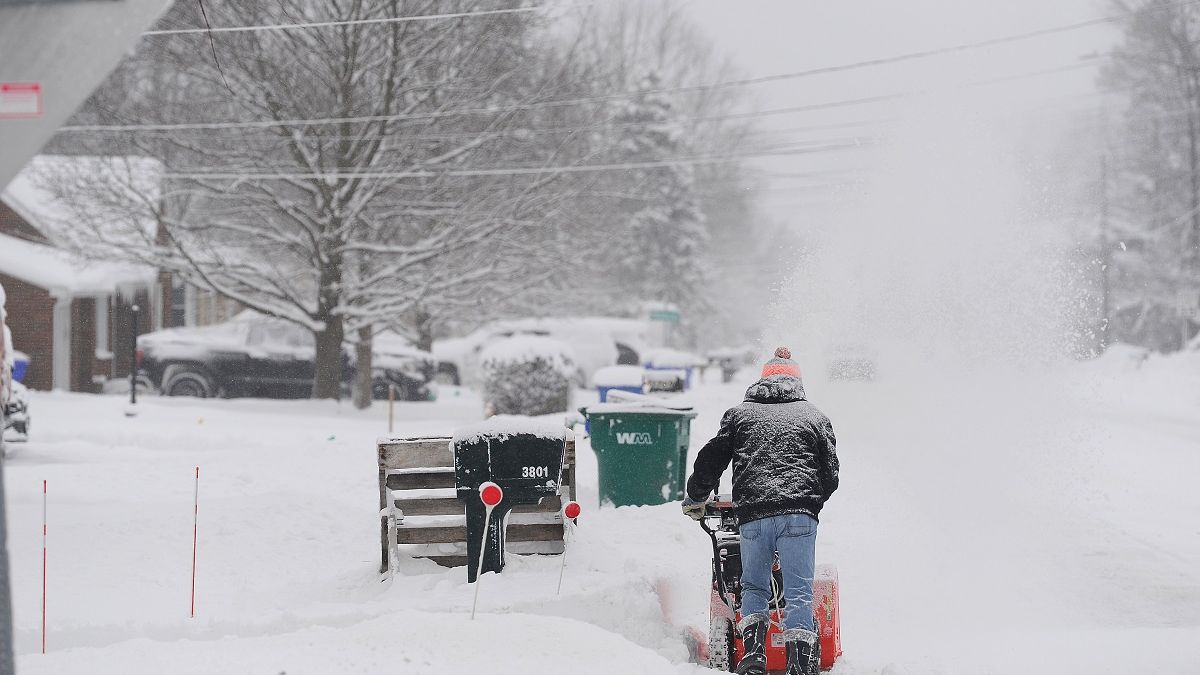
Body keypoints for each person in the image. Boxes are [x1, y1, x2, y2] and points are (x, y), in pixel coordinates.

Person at [683, 347, 839, 675]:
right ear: (797, 383)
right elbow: (831, 474)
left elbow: (710, 459)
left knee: (753, 585)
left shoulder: (739, 415)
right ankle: (798, 663)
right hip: (799, 514)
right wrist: (809, 501)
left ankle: (753, 656)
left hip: (753, 515)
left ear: (761, 382)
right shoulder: (814, 416)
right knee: (798, 588)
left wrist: (696, 497)